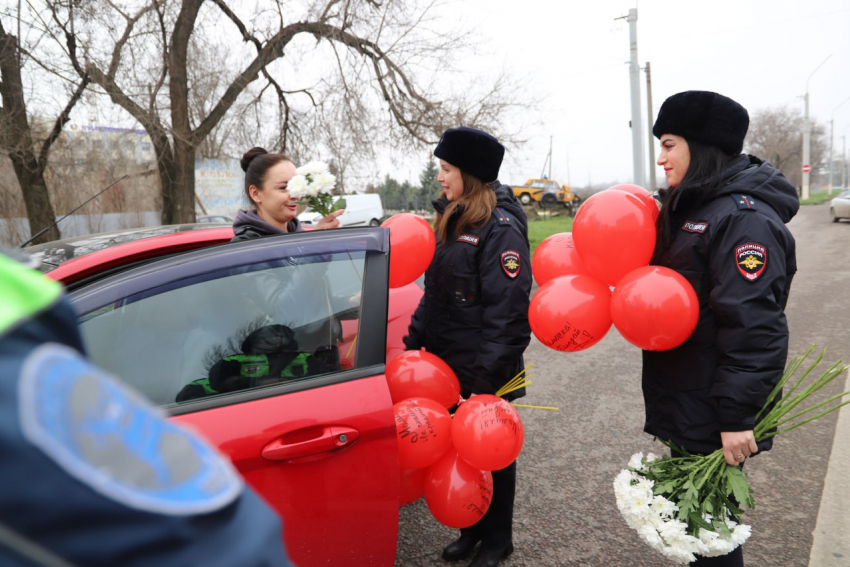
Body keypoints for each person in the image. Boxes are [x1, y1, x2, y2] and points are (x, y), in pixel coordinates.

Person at [0, 247, 293, 566]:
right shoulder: (121, 339)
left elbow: (221, 542)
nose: (191, 310)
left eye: (191, 301)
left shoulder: (210, 350)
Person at [646, 91, 799, 567]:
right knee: (690, 526)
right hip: (687, 396)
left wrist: (736, 417)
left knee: (712, 531)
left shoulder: (742, 218)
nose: (660, 156)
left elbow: (754, 326)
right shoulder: (695, 207)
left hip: (714, 408)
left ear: (701, 145)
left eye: (669, 144)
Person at [404, 126, 532, 567]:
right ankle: (471, 528)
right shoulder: (451, 219)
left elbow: (509, 314)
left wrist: (484, 381)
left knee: (491, 452)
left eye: (446, 169)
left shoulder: (501, 228)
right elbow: (432, 292)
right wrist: (415, 342)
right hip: (445, 368)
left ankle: (498, 539)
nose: (440, 178)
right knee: (458, 450)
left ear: (470, 174)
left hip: (484, 370)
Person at [232, 147, 344, 241]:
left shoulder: (301, 236)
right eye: (284, 187)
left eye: (295, 186)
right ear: (256, 193)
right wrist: (313, 246)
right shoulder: (244, 245)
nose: (295, 195)